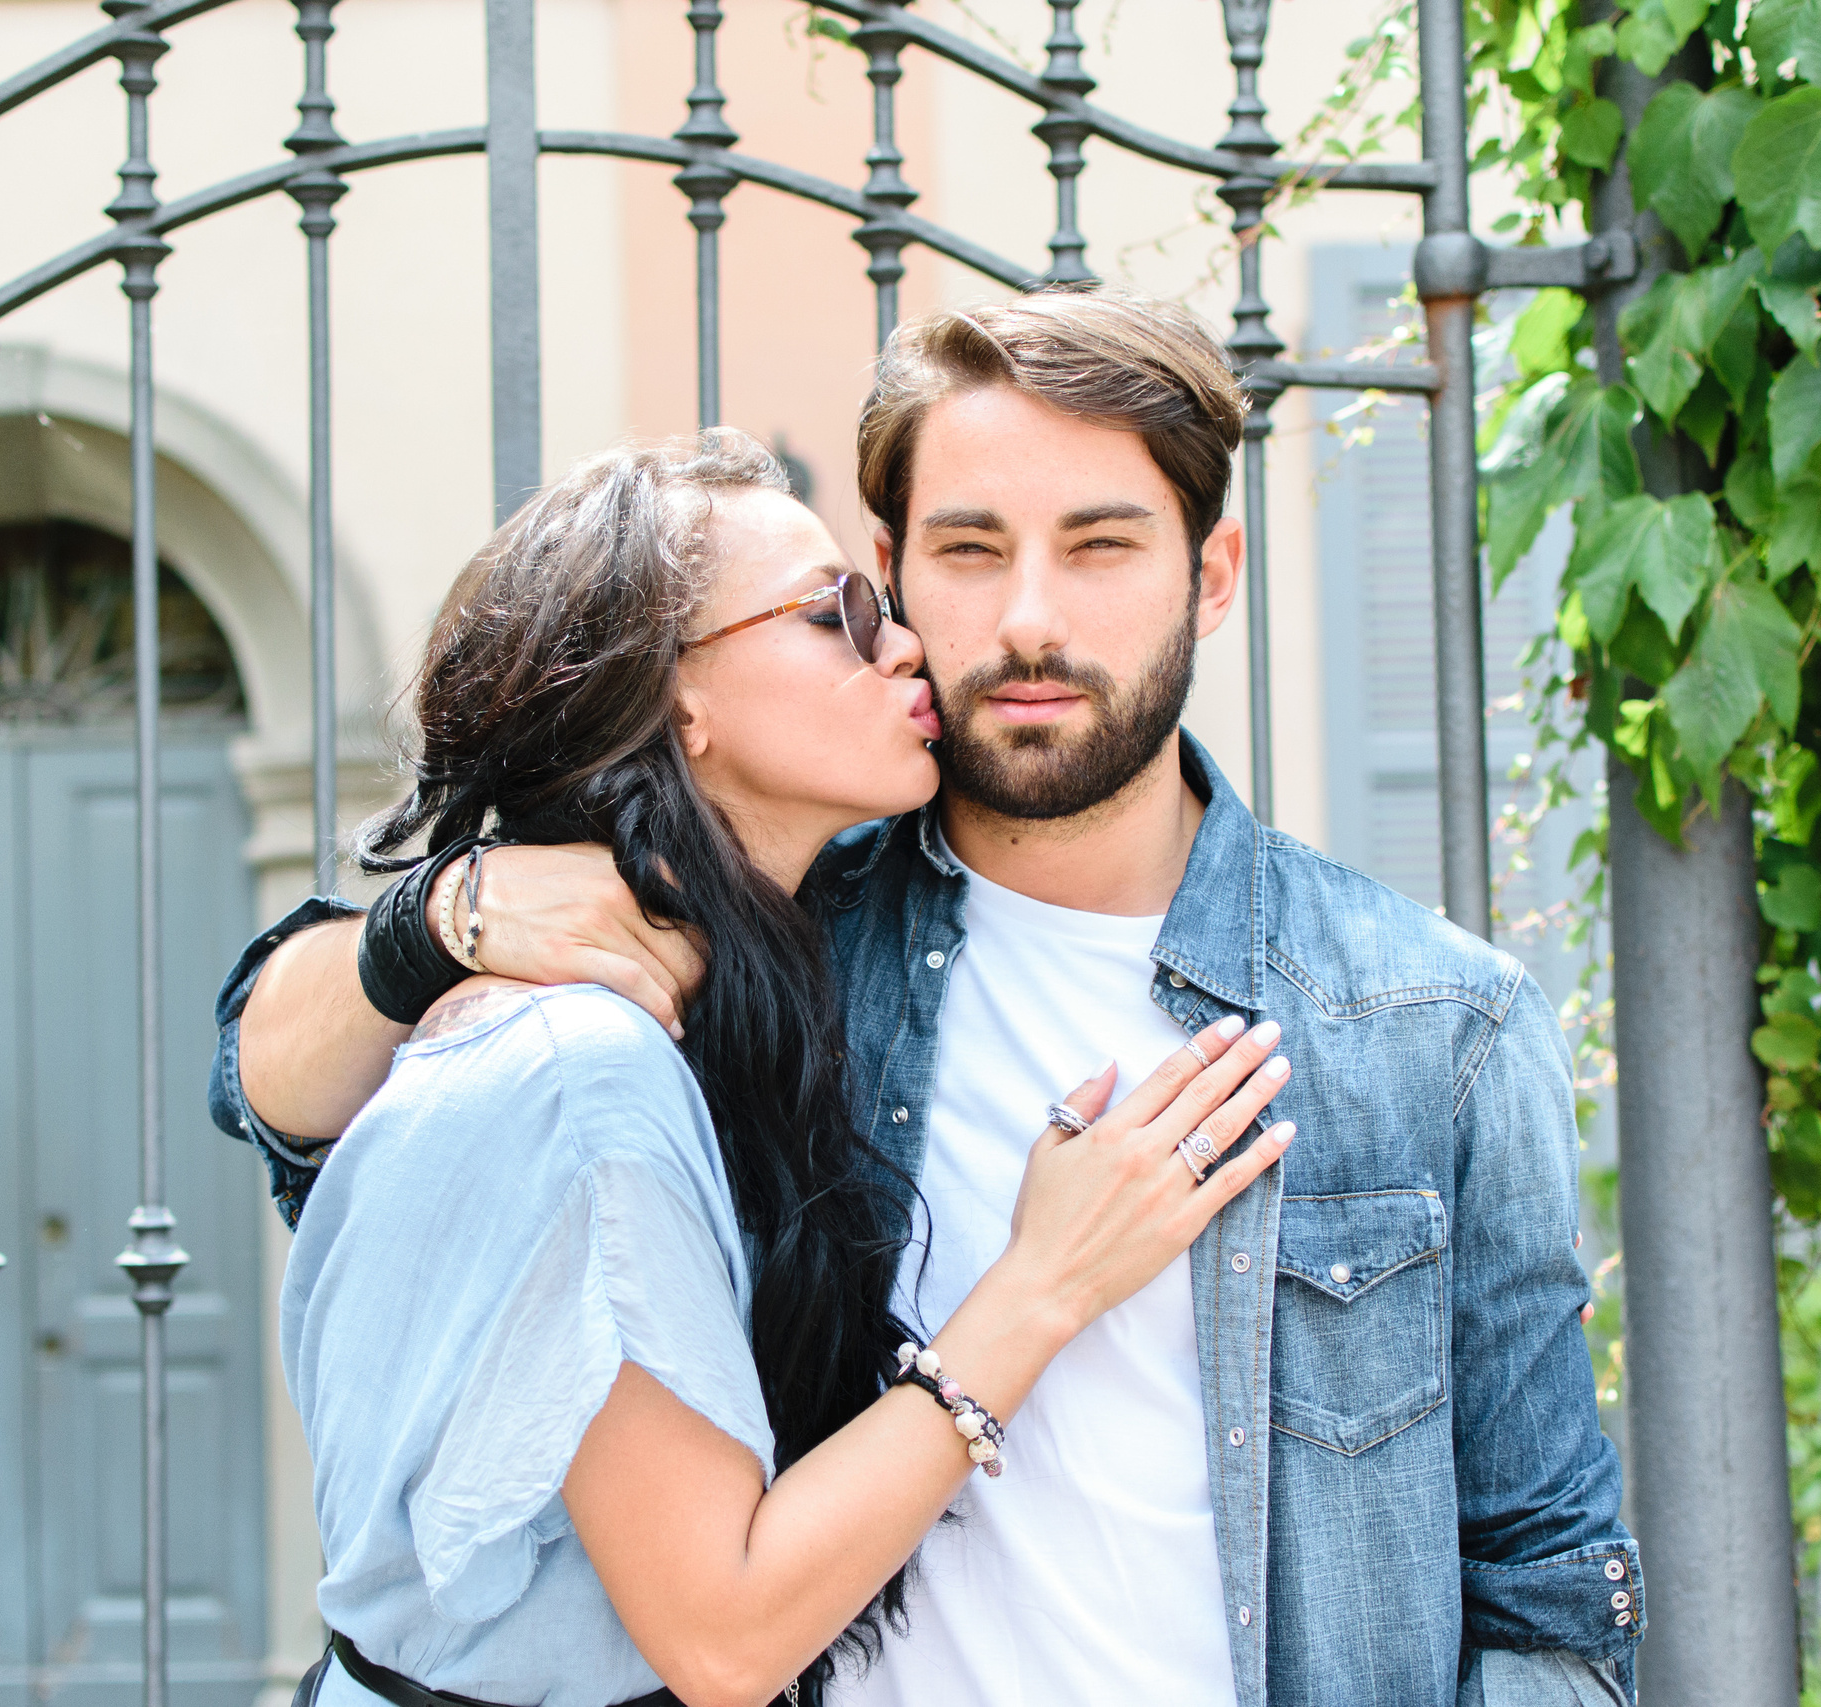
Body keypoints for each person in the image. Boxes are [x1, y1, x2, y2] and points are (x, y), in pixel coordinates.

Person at [217, 291, 1641, 1707]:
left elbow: (1553, 1590)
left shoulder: (1434, 1025)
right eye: (970, 550)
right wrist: (434, 920)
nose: (1030, 618)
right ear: (893, 573)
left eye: (1100, 546)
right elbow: (283, 1101)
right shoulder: (739, 955)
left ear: (1211, 575)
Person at [268, 430, 1293, 1707]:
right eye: (839, 615)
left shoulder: (720, 1001)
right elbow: (725, 1637)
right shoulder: (583, 1069)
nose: (906, 641)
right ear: (675, 699)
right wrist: (1046, 1282)